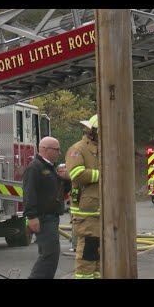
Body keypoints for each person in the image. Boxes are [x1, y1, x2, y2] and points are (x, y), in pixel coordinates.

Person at [23, 136, 71, 279]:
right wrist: (32, 217)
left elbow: (61, 192)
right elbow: (29, 193)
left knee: (51, 254)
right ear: (44, 149)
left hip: (52, 217)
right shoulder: (35, 167)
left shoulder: (50, 168)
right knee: (49, 254)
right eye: (56, 150)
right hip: (43, 217)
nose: (59, 153)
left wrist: (66, 179)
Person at [65, 114, 100, 279]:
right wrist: (103, 174)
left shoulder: (103, 148)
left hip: (102, 211)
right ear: (93, 131)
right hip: (87, 213)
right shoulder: (77, 149)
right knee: (88, 251)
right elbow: (76, 174)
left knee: (100, 254)